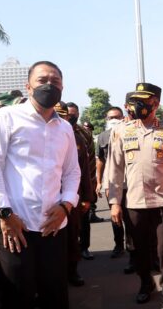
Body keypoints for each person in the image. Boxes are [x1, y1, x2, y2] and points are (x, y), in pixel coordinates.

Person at [0, 61, 80, 309]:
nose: (49, 84)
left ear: (62, 88)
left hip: (53, 226)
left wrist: (66, 205)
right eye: (42, 79)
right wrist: (4, 213)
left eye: (55, 80)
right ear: (28, 86)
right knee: (16, 299)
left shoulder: (65, 128)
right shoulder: (6, 118)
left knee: (56, 298)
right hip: (15, 225)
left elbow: (72, 173)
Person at [106, 82, 163, 309]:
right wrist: (114, 203)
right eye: (136, 100)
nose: (138, 105)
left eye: (143, 101)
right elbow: (114, 169)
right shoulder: (122, 131)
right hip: (135, 201)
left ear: (155, 104)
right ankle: (145, 283)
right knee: (140, 249)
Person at [54, 101, 95, 286]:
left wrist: (87, 197)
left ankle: (72, 271)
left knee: (72, 236)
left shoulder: (77, 139)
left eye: (62, 116)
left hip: (71, 198)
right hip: (46, 200)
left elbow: (84, 170)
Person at [96, 105, 132, 263]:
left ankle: (133, 249)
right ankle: (119, 245)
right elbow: (100, 161)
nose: (114, 120)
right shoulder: (102, 137)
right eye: (111, 118)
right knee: (116, 216)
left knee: (131, 218)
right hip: (111, 182)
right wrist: (98, 182)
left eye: (117, 117)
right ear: (106, 119)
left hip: (130, 182)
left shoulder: (129, 132)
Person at [66, 102, 98, 259]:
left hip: (82, 185)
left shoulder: (84, 134)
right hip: (62, 189)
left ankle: (84, 248)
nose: (71, 117)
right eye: (68, 114)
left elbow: (90, 162)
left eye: (74, 114)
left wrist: (90, 188)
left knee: (84, 220)